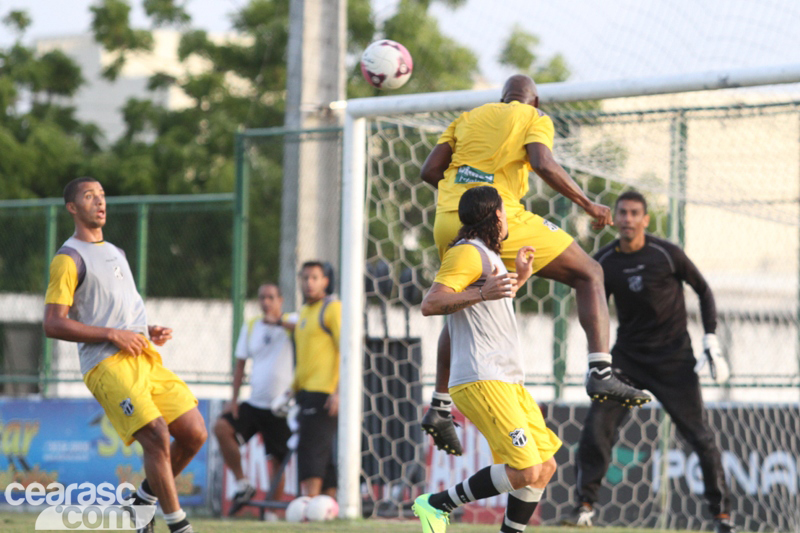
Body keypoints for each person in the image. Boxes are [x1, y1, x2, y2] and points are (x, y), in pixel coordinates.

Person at [419, 74, 650, 456]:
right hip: (499, 217)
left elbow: (430, 171)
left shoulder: (467, 117)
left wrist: (462, 200)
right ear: (534, 102)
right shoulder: (533, 117)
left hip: (448, 219)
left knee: (459, 306)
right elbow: (542, 161)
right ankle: (601, 371)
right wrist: (589, 205)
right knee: (589, 272)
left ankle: (441, 405)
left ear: (501, 97)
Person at [561, 191, 734, 533]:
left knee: (700, 437)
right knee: (597, 427)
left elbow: (703, 289)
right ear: (616, 218)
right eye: (622, 212)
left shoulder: (666, 254)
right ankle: (583, 508)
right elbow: (593, 309)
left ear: (645, 219)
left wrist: (710, 339)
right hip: (628, 359)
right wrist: (598, 359)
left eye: (634, 213)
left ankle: (722, 516)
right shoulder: (604, 261)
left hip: (675, 360)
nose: (626, 218)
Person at [43, 177, 207, 533]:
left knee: (194, 432)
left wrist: (146, 330)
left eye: (102, 196)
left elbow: (115, 310)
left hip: (143, 357)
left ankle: (140, 503)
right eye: (89, 197)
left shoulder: (117, 253)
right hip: (106, 364)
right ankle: (178, 525)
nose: (100, 202)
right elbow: (53, 324)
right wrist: (112, 335)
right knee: (157, 435)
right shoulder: (68, 259)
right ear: (72, 208)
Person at [413, 186, 559, 533]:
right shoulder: (466, 254)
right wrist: (482, 291)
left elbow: (484, 308)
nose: (508, 219)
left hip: (507, 378)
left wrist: (519, 279)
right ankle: (435, 504)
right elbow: (431, 303)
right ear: (496, 216)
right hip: (483, 377)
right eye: (506, 212)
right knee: (524, 470)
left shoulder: (488, 257)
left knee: (545, 465)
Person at [213, 283, 294, 515]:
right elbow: (240, 365)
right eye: (262, 298)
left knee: (277, 463)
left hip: (280, 408)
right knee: (221, 427)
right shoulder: (251, 326)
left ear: (280, 300)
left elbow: (306, 330)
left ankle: (270, 515)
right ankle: (242, 482)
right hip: (254, 404)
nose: (266, 302)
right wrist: (234, 399)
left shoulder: (291, 322)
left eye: (270, 297)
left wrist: (277, 323)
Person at [292, 261, 341, 497]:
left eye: (314, 277)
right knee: (323, 453)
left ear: (325, 281)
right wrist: (290, 391)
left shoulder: (332, 308)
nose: (309, 283)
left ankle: (309, 504)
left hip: (324, 392)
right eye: (305, 278)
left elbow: (347, 350)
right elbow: (305, 358)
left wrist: (339, 391)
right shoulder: (304, 312)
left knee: (311, 450)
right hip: (305, 393)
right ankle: (328, 507)